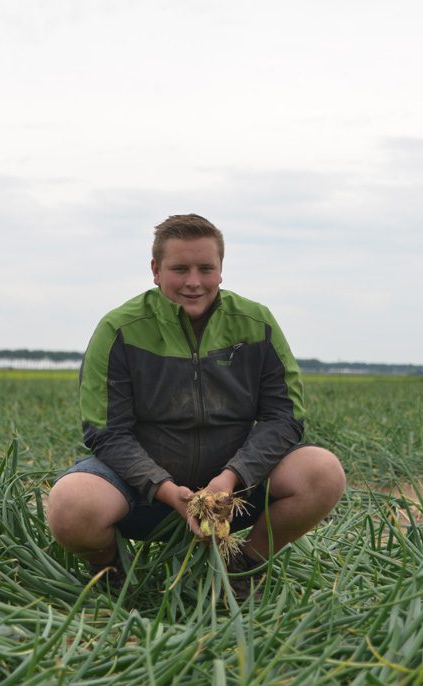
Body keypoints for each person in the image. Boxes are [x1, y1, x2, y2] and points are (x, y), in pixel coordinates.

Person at [47, 214, 345, 596]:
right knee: (70, 505)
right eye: (179, 269)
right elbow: (107, 433)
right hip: (142, 493)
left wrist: (232, 478)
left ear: (221, 270)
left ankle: (243, 568)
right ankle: (110, 573)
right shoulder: (119, 330)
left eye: (206, 268)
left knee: (323, 472)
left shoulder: (257, 324)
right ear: (155, 271)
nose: (193, 281)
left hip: (233, 493)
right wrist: (167, 490)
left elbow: (283, 417)